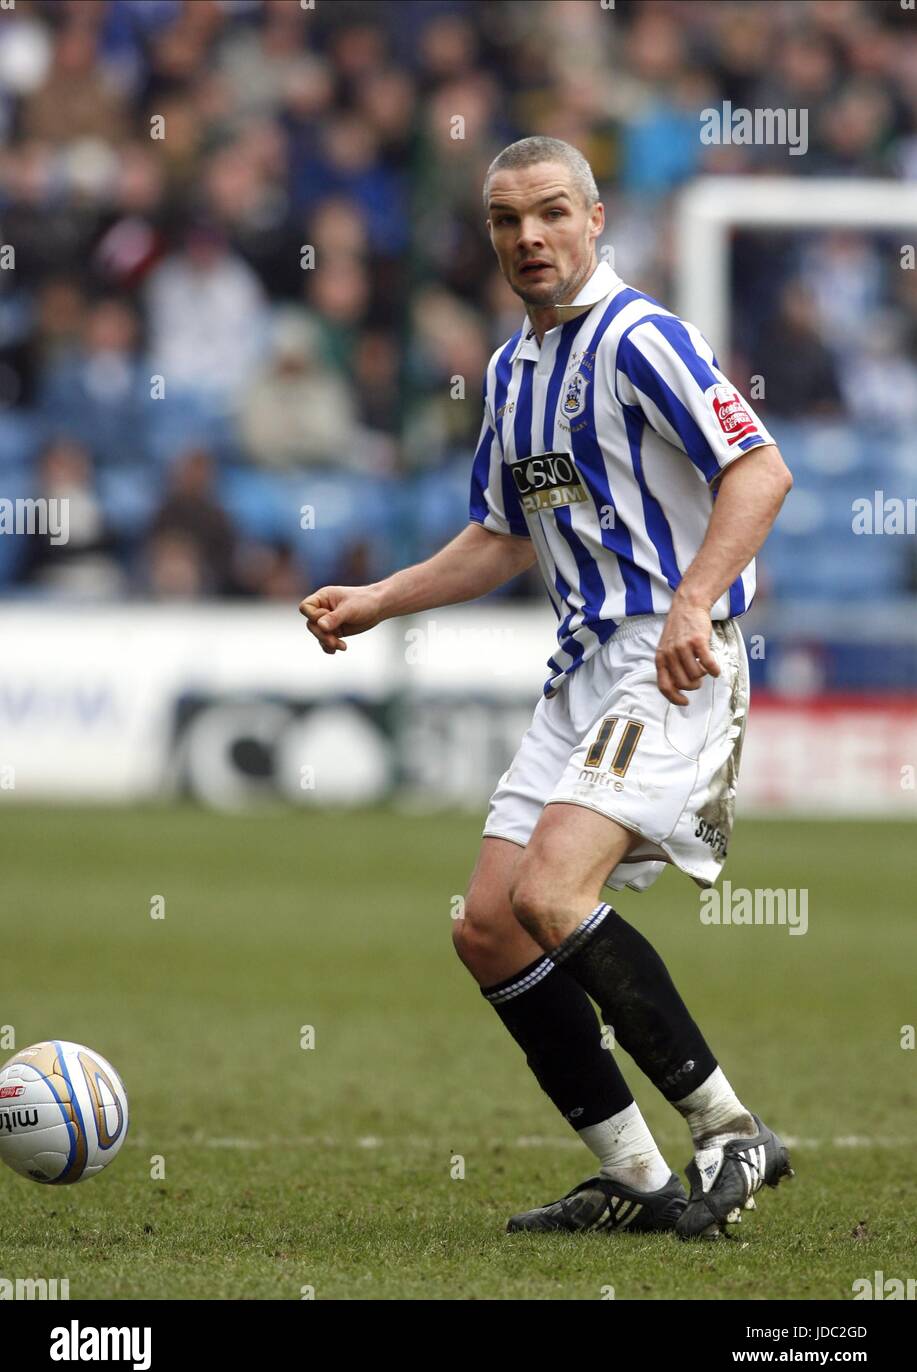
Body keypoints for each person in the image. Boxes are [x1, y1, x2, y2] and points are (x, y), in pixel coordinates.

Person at [299, 137, 795, 1240]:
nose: (529, 237)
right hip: (582, 674)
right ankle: (635, 1175)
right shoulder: (516, 372)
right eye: (507, 219)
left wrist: (690, 598)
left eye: (551, 213)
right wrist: (380, 598)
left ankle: (727, 1130)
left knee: (552, 894)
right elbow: (501, 536)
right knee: (487, 926)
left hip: (673, 657)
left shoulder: (640, 339)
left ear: (594, 218)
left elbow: (758, 469)